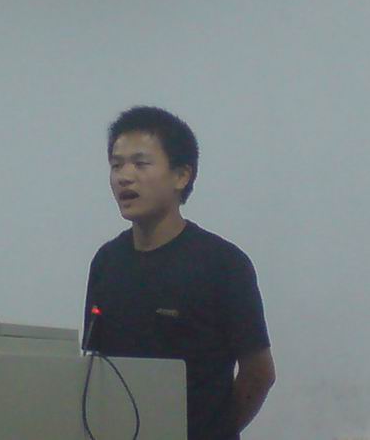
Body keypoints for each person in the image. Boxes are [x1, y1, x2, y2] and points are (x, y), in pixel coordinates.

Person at [82, 106, 275, 440]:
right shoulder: (106, 262)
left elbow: (259, 374)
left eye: (140, 163)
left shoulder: (222, 264)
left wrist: (215, 431)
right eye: (116, 165)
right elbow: (96, 365)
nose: (124, 176)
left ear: (181, 176)